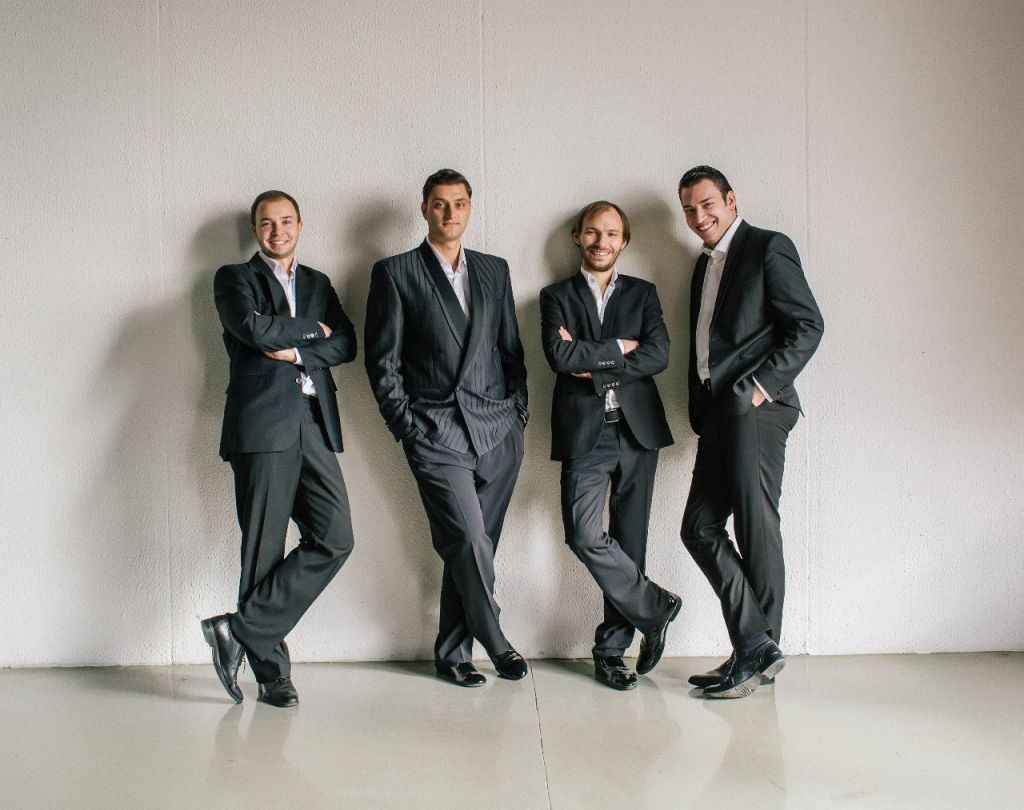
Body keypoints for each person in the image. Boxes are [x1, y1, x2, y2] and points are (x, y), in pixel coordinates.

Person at [364, 169, 529, 687]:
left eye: (459, 203)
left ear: (469, 208)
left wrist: (518, 412)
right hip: (435, 430)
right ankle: (496, 640)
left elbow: (510, 349)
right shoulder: (396, 272)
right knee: (470, 539)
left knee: (472, 547)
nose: (450, 212)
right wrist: (407, 426)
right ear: (424, 210)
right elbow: (383, 362)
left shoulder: (494, 269)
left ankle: (453, 654)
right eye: (439, 203)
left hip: (498, 430)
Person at [201, 190, 357, 708]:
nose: (277, 231)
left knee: (335, 537)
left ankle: (239, 630)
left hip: (313, 422)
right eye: (267, 223)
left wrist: (290, 349)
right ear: (255, 229)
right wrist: (312, 332)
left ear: (300, 225)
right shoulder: (234, 278)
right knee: (264, 548)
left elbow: (347, 343)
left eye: (286, 221)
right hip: (263, 425)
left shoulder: (318, 283)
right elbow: (250, 327)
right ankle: (273, 676)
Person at [678, 166, 824, 698]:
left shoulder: (767, 247)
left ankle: (759, 650)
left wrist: (758, 389)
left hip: (756, 408)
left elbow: (807, 324)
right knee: (698, 527)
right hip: (717, 411)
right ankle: (755, 645)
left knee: (756, 525)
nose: (699, 216)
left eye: (707, 204)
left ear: (731, 200)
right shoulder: (703, 265)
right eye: (689, 209)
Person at [539, 201, 681, 690]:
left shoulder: (643, 293)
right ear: (578, 237)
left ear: (624, 241)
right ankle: (654, 607)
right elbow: (560, 356)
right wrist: (622, 347)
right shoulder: (555, 296)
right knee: (583, 533)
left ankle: (612, 651)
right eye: (593, 232)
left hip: (638, 431)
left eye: (612, 234)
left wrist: (594, 362)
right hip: (586, 432)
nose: (602, 242)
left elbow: (659, 354)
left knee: (630, 541)